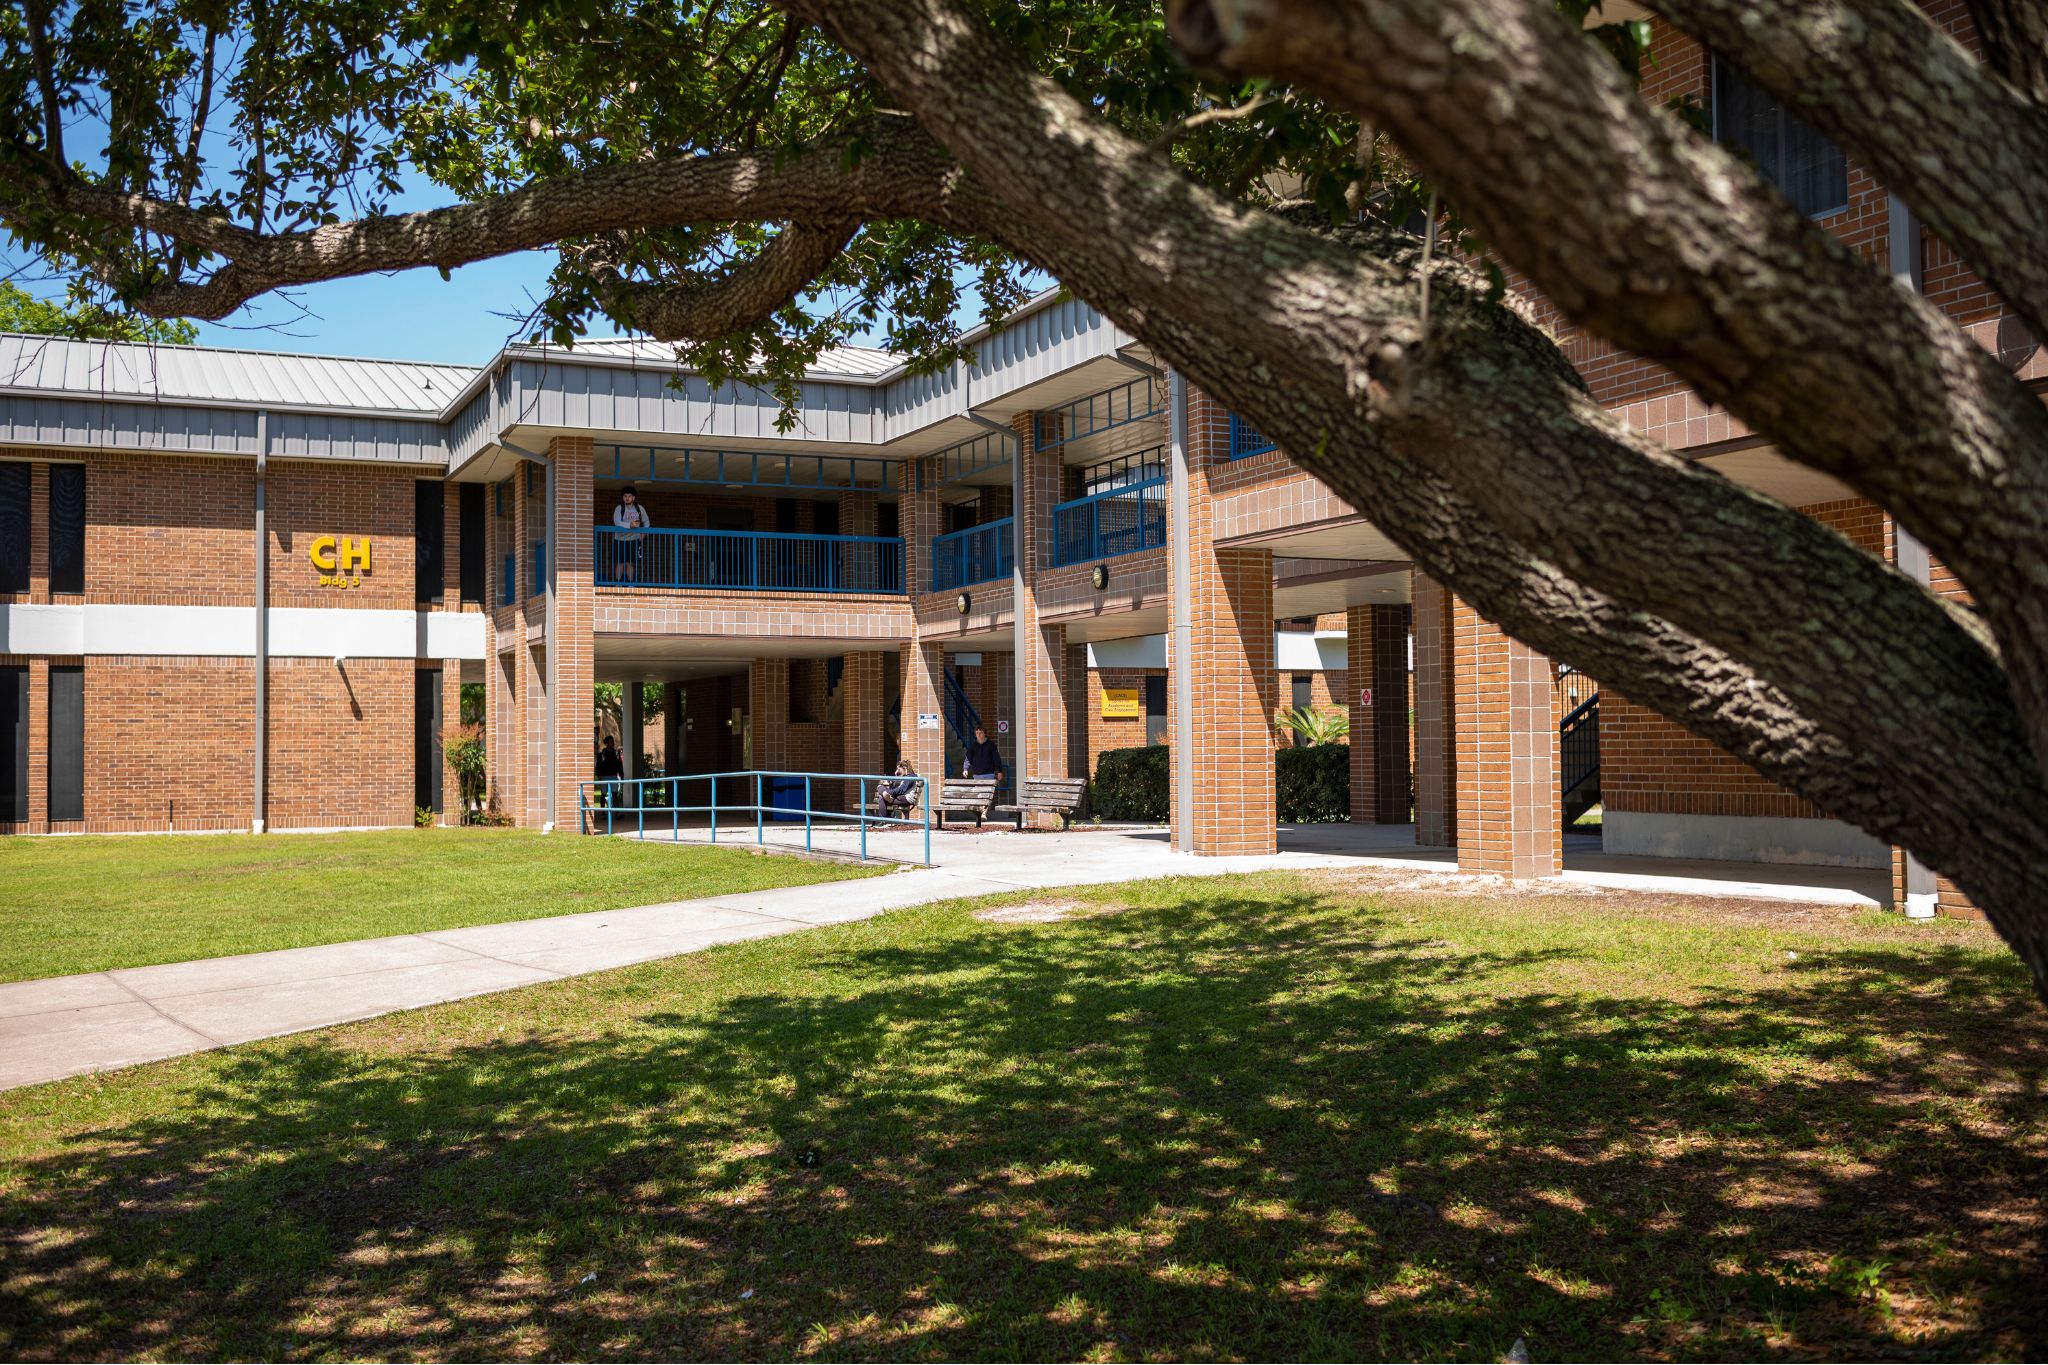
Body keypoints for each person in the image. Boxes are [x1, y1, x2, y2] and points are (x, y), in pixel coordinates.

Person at [611, 486, 653, 582]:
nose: (627, 498)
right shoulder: (619, 508)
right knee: (620, 563)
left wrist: (642, 536)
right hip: (619, 539)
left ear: (633, 498)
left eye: (629, 496)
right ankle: (618, 584)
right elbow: (617, 522)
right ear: (623, 498)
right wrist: (630, 524)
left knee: (630, 563)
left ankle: (630, 584)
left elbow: (646, 522)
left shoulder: (639, 508)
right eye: (625, 496)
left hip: (634, 540)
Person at [594, 735, 624, 808]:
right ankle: (603, 812)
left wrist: (622, 776)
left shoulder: (616, 754)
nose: (613, 743)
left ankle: (617, 812)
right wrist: (599, 775)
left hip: (614, 776)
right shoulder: (602, 755)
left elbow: (620, 766)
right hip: (604, 777)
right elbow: (598, 766)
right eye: (611, 741)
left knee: (615, 794)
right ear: (607, 743)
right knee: (603, 794)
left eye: (613, 741)